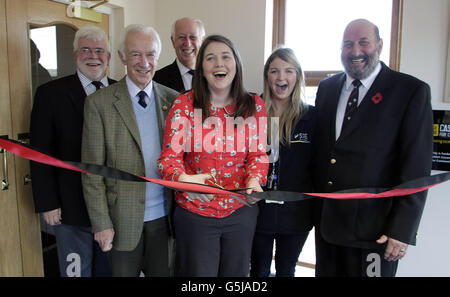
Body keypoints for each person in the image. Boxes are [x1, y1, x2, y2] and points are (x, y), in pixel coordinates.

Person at [313, 19, 433, 277]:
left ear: (379, 45)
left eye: (363, 42)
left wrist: (402, 230)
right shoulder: (327, 89)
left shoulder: (410, 91)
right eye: (348, 44)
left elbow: (416, 167)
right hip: (329, 229)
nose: (355, 51)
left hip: (376, 234)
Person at [157, 34, 269, 277]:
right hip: (195, 214)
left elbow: (258, 155)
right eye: (210, 58)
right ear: (201, 69)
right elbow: (168, 160)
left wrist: (254, 182)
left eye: (225, 57)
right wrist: (184, 183)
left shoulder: (254, 105)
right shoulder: (184, 104)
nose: (219, 63)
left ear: (236, 64)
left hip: (240, 213)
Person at [81, 24, 179, 277]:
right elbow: (92, 171)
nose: (144, 62)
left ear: (158, 56)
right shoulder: (99, 103)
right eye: (135, 54)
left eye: (150, 54)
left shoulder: (174, 100)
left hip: (165, 219)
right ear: (123, 56)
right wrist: (101, 224)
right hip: (120, 221)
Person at [30, 25, 115, 277]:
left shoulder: (120, 92)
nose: (93, 56)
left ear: (108, 57)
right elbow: (40, 152)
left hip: (112, 207)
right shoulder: (50, 94)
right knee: (75, 271)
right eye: (86, 50)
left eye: (99, 51)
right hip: (69, 206)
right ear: (75, 55)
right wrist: (48, 202)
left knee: (108, 271)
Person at [250, 48, 316, 277]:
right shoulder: (252, 112)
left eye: (288, 71)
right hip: (258, 211)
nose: (281, 77)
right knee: (258, 270)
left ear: (297, 76)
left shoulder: (312, 117)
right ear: (267, 76)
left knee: (286, 270)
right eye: (274, 71)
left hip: (297, 214)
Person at [153, 17, 205, 92]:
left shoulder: (213, 77)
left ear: (202, 41)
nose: (187, 43)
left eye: (192, 37)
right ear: (173, 41)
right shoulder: (157, 80)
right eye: (182, 37)